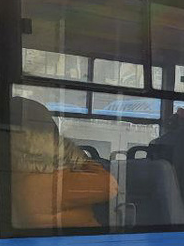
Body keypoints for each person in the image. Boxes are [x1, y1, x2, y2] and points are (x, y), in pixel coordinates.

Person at [8, 96, 117, 229]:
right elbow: (109, 186)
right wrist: (79, 159)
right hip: (80, 242)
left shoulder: (13, 173)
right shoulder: (56, 181)